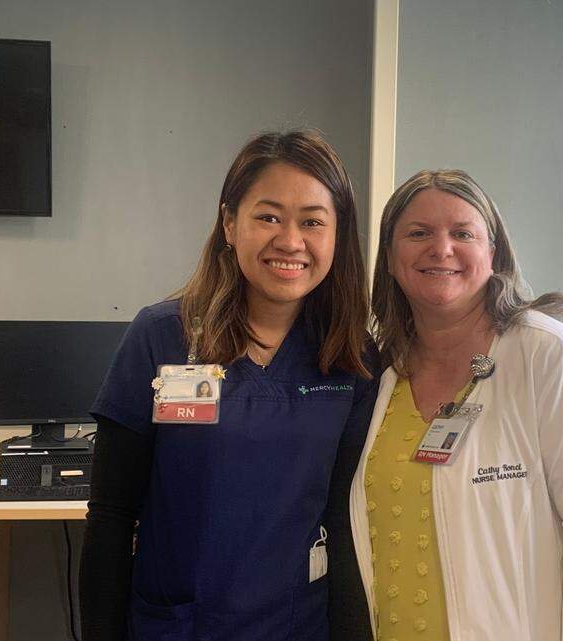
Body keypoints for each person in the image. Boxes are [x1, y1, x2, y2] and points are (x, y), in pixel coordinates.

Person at [80, 130, 378, 641]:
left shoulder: (349, 359)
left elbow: (344, 521)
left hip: (297, 626)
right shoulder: (162, 337)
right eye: (268, 217)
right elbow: (111, 514)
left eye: (312, 222)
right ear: (228, 223)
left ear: (336, 236)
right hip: (179, 627)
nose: (290, 241)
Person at [350, 169, 563, 641]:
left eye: (462, 233)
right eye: (418, 233)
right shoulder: (381, 374)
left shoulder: (546, 354)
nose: (441, 248)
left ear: (493, 254)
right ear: (389, 258)